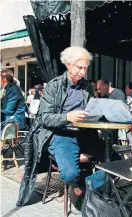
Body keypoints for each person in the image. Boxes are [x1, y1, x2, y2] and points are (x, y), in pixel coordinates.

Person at [17, 46, 105, 208]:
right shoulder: (53, 86)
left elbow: (91, 108)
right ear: (68, 64)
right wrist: (67, 117)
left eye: (85, 68)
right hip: (61, 135)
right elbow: (44, 118)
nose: (83, 72)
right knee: (71, 174)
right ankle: (78, 187)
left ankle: (91, 186)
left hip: (84, 133)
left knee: (114, 160)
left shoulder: (87, 86)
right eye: (80, 67)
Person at [1, 69, 26, 151]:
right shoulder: (7, 89)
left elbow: (8, 110)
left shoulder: (13, 90)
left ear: (4, 79)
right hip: (9, 118)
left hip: (15, 120)